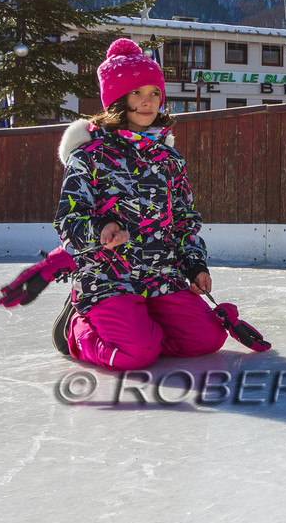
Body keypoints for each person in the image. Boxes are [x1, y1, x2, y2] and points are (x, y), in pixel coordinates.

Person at [53, 38, 228, 370]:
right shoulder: (89, 155)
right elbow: (68, 219)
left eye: (155, 94)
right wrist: (101, 229)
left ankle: (138, 324)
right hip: (108, 277)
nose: (148, 103)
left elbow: (184, 220)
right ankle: (76, 328)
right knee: (137, 355)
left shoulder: (169, 158)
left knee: (207, 338)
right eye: (137, 93)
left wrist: (194, 266)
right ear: (118, 98)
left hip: (159, 275)